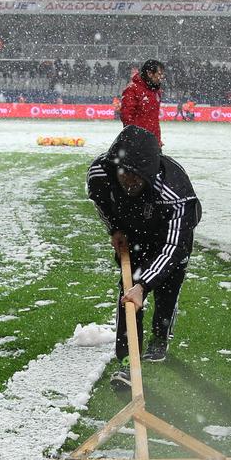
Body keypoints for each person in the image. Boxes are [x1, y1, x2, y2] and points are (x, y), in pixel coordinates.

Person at [86, 125, 201, 389]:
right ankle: (128, 362)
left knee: (166, 288)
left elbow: (174, 246)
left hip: (170, 237)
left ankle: (160, 338)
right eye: (124, 173)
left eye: (137, 177)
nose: (129, 181)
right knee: (128, 295)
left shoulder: (175, 193)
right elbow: (102, 203)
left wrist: (145, 284)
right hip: (133, 231)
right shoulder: (100, 174)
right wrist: (114, 229)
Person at [120, 59, 165, 145]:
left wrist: (157, 139)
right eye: (159, 74)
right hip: (137, 142)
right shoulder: (132, 89)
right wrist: (136, 138)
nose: (161, 77)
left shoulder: (156, 91)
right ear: (149, 73)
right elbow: (126, 117)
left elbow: (153, 119)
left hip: (152, 141)